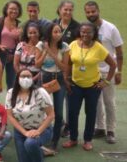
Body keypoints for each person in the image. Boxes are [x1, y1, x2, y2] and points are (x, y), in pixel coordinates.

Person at [63, 22, 116, 151]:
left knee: (90, 113)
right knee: (72, 112)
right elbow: (68, 63)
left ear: (94, 34)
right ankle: (73, 139)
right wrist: (67, 79)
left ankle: (87, 140)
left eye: (88, 32)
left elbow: (113, 64)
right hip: (75, 85)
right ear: (79, 32)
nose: (85, 34)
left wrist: (106, 81)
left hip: (93, 86)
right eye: (83, 32)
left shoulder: (98, 47)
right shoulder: (73, 45)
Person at [85, 1, 123, 144]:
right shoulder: (86, 29)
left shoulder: (111, 28)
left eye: (93, 11)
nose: (90, 14)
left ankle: (111, 130)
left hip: (109, 70)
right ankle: (100, 128)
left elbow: (119, 52)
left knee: (109, 101)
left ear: (98, 11)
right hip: (92, 71)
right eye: (88, 12)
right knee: (96, 102)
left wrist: (119, 72)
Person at [7, 69, 55, 162]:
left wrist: (38, 131)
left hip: (42, 129)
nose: (26, 79)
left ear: (32, 79)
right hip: (20, 131)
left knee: (30, 143)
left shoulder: (40, 92)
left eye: (28, 76)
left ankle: (38, 152)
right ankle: (39, 150)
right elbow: (10, 116)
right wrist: (25, 132)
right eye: (23, 76)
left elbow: (51, 115)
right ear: (17, 79)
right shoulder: (11, 93)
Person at [36, 22, 69, 150]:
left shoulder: (65, 46)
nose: (58, 34)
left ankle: (54, 141)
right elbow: (37, 65)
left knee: (59, 113)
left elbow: (64, 67)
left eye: (59, 32)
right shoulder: (40, 44)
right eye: (55, 31)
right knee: (42, 110)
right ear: (49, 33)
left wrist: (51, 52)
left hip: (59, 79)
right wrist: (45, 51)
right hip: (44, 78)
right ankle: (41, 136)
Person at [0, 0, 22, 90]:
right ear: (6, 9)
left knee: (12, 82)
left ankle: (10, 102)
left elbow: (21, 42)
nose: (14, 11)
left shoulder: (19, 24)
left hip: (13, 55)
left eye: (16, 9)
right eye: (11, 9)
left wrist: (15, 53)